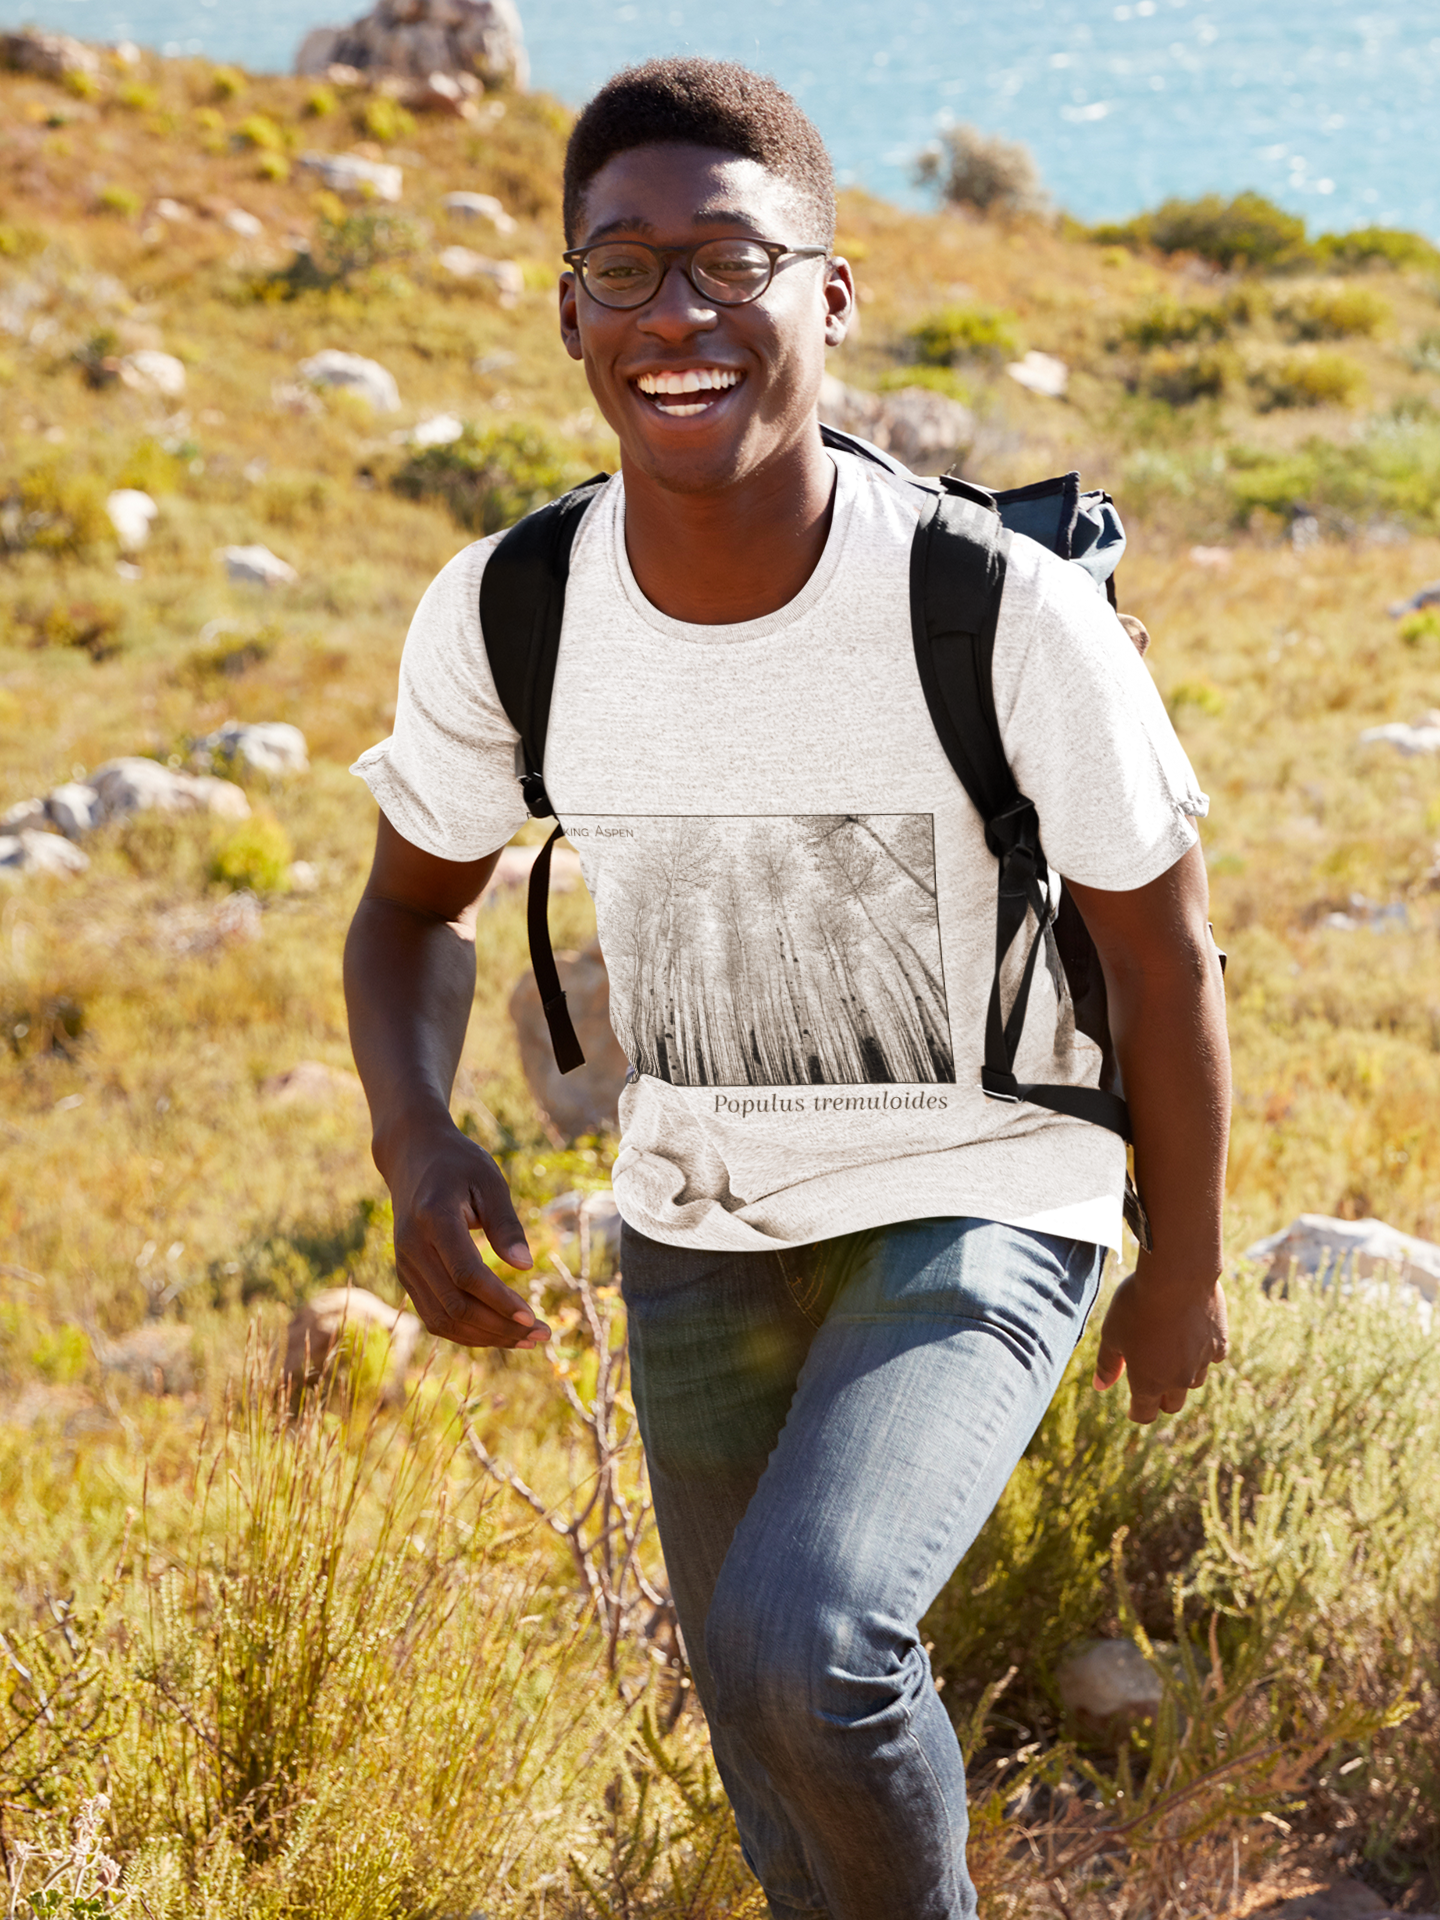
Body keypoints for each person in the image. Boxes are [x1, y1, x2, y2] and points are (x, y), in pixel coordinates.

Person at [344, 56, 1230, 1920]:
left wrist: (1188, 1268)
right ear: (569, 306)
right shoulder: (509, 610)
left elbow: (1160, 946)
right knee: (758, 1721)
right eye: (625, 268)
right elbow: (410, 910)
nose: (678, 314)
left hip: (987, 1187)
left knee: (808, 1641)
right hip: (698, 1222)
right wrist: (418, 1143)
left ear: (828, 293)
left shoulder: (1000, 608)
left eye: (731, 264)